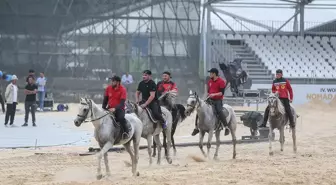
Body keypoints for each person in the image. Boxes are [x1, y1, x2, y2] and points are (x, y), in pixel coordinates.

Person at [191, 68, 230, 136]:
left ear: (214, 73)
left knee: (219, 111)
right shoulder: (210, 81)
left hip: (218, 100)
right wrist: (205, 98)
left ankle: (226, 127)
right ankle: (196, 127)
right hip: (209, 99)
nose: (210, 74)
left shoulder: (221, 81)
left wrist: (214, 94)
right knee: (200, 109)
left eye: (211, 73)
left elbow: (221, 93)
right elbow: (208, 92)